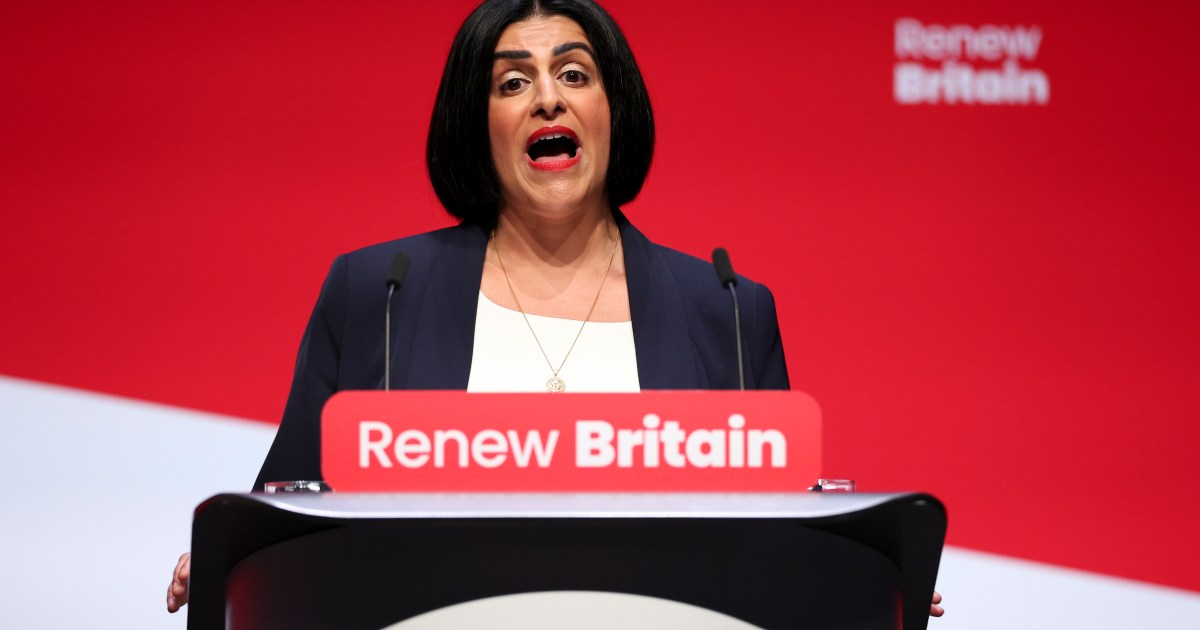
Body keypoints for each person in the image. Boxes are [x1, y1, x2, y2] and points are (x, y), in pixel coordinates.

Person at [169, 0, 941, 617]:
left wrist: (866, 570)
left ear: (614, 107)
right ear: (477, 124)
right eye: (512, 83)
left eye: (574, 73)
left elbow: (784, 534)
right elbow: (288, 509)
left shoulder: (725, 311)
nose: (547, 98)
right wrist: (231, 559)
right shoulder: (379, 294)